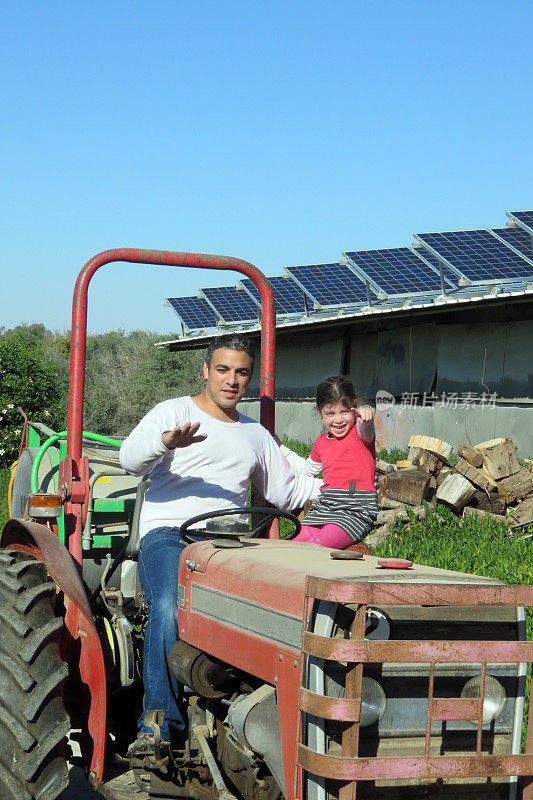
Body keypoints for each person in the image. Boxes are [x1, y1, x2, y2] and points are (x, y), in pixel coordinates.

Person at [119, 333, 322, 755]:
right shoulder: (173, 412)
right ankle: (159, 723)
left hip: (229, 543)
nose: (231, 380)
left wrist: (341, 487)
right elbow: (129, 457)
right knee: (168, 606)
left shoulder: (255, 434)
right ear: (206, 371)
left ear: (249, 378)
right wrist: (165, 443)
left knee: (280, 606)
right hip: (170, 534)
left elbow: (286, 492)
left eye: (241, 372)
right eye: (223, 369)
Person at [280, 375, 378, 549]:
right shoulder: (321, 442)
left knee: (317, 546)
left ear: (354, 408)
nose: (338, 420)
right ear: (319, 412)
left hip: (354, 511)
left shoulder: (360, 434)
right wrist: (280, 447)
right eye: (330, 413)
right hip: (326, 507)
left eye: (345, 412)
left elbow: (367, 429)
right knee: (292, 547)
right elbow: (306, 469)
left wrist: (366, 415)